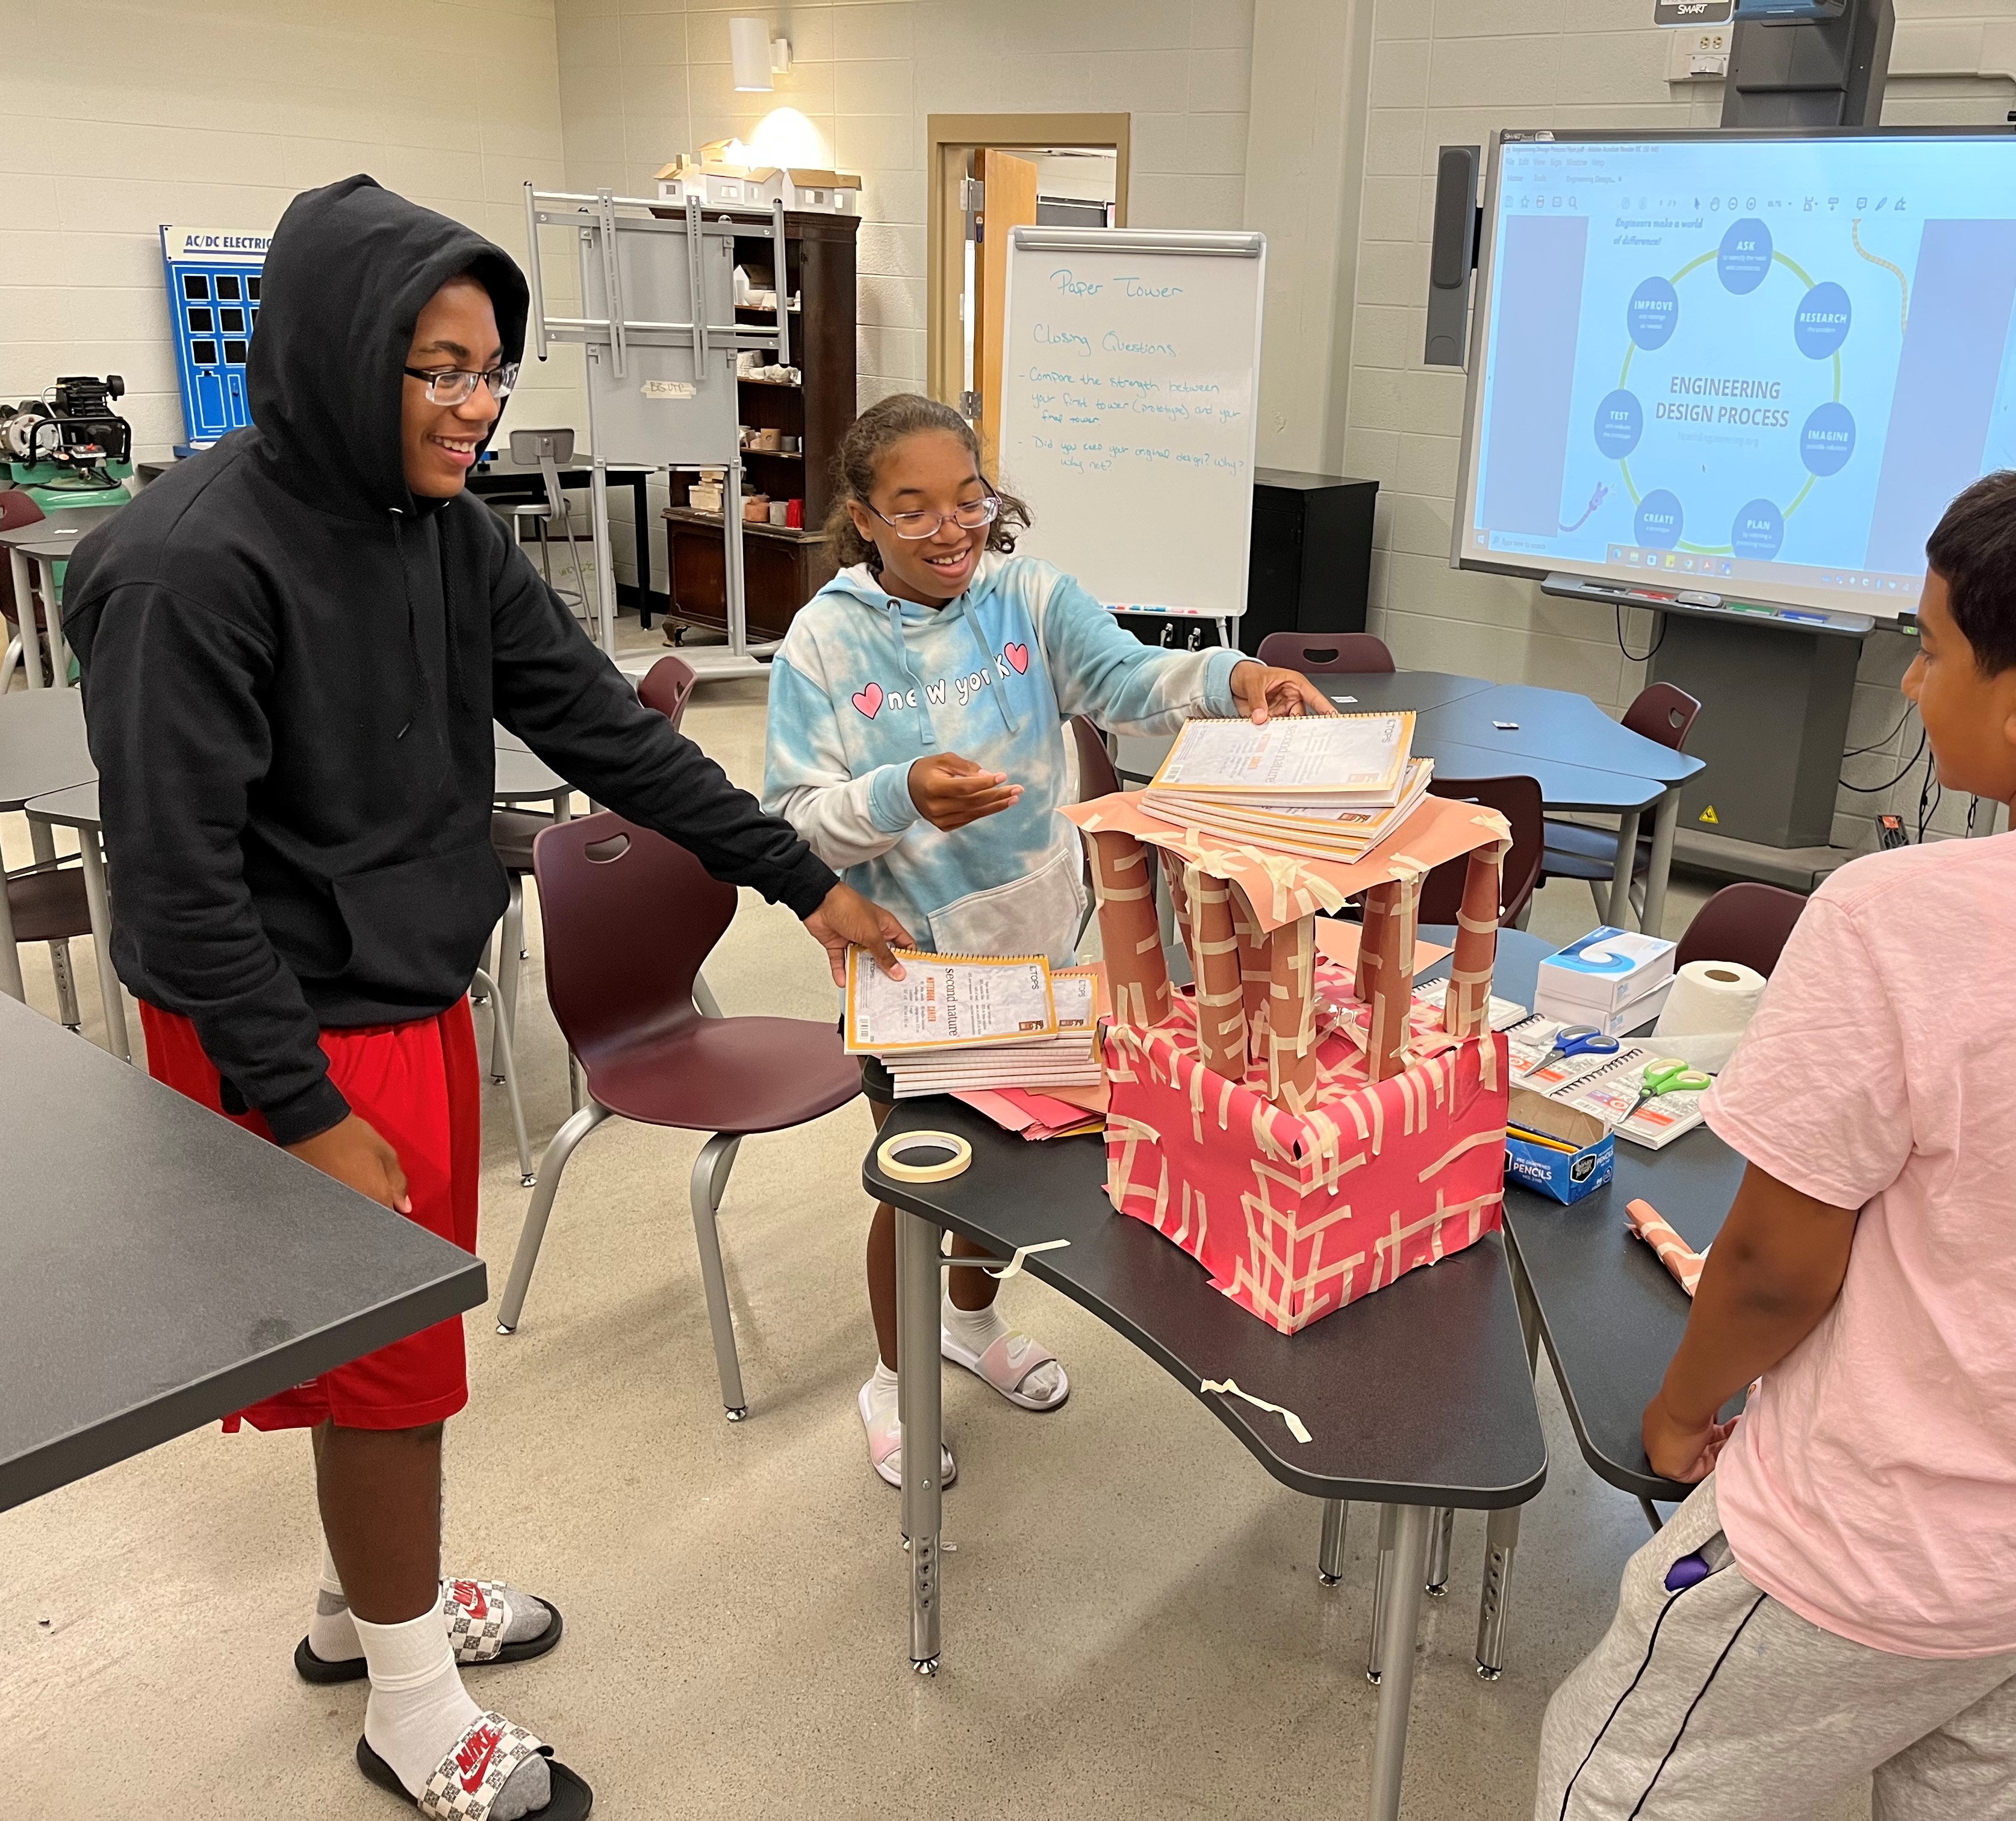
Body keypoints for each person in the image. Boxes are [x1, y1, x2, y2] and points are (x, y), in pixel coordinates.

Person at [65, 178, 908, 1821]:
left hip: (397, 987)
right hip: (285, 1023)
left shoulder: (439, 534)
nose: (478, 405)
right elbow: (179, 883)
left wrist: (802, 879)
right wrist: (303, 1112)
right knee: (392, 1372)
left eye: (492, 366)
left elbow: (608, 731)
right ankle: (410, 1702)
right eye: (437, 368)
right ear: (332, 356)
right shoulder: (188, 570)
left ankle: (357, 1609)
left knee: (375, 1358)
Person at [1534, 453, 2016, 1821]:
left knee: (1614, 1785)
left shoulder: (1898, 915)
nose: (1910, 680)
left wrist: (1681, 1409)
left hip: (1885, 1545)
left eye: (1933, 648)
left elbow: (1782, 1267)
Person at [761, 391, 1333, 1487]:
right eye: (914, 508)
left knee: (1018, 1169)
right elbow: (792, 819)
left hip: (1045, 951)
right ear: (863, 517)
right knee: (920, 1179)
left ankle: (970, 1328)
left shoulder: (1028, 596)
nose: (950, 530)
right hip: (911, 965)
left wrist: (1236, 677)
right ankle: (891, 1379)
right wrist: (899, 796)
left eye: (968, 499)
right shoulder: (825, 642)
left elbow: (1124, 680)